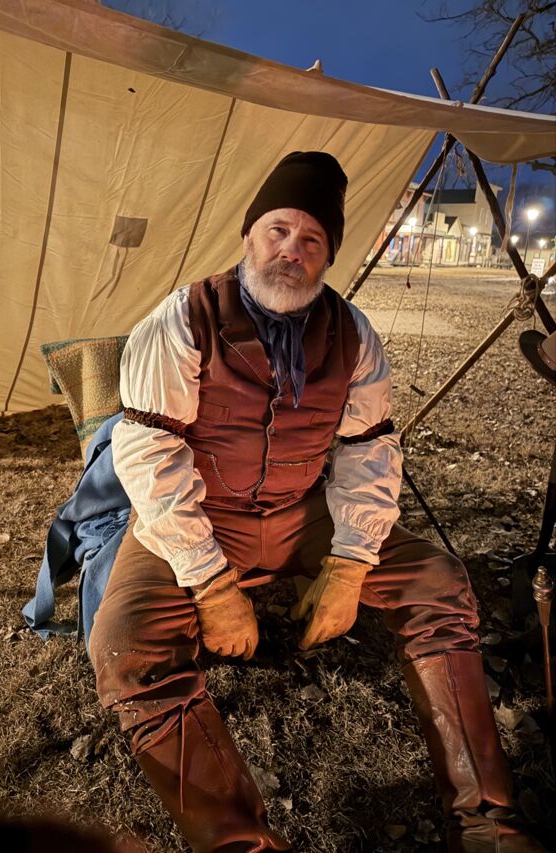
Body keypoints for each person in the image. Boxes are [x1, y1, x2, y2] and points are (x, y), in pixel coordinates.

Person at [88, 152, 544, 853]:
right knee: (125, 641)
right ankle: (240, 845)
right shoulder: (182, 318)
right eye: (278, 230)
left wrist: (350, 566)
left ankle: (488, 821)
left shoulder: (353, 333)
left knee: (438, 582)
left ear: (329, 255)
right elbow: (150, 455)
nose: (290, 252)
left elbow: (369, 451)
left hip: (302, 511)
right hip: (204, 516)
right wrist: (211, 584)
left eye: (311, 240)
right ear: (249, 234)